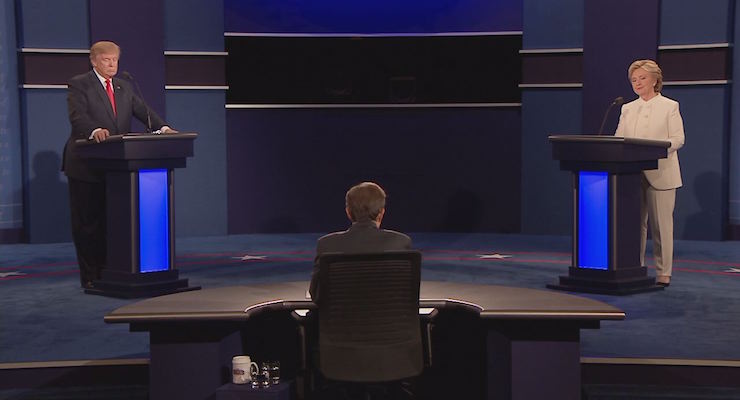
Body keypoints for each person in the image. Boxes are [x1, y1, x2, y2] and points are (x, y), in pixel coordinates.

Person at [63, 40, 176, 289]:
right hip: (86, 164)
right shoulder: (80, 84)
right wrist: (94, 130)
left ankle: (111, 272)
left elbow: (143, 111)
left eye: (115, 59)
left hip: (117, 168)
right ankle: (91, 277)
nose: (112, 64)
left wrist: (163, 127)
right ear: (94, 61)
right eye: (106, 60)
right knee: (89, 225)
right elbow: (77, 116)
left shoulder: (124, 86)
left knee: (112, 223)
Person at [614, 59, 685, 287]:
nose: (638, 83)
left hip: (661, 173)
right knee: (635, 225)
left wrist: (655, 150)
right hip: (631, 175)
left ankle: (664, 272)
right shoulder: (627, 108)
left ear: (655, 80)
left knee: (661, 226)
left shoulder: (669, 106)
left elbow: (678, 139)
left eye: (642, 78)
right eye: (634, 80)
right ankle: (634, 267)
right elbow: (619, 139)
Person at [308, 182, 412, 301]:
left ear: (348, 212)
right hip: (391, 318)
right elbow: (406, 294)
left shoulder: (327, 244)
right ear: (382, 213)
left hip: (340, 318)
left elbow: (316, 296)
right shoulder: (400, 242)